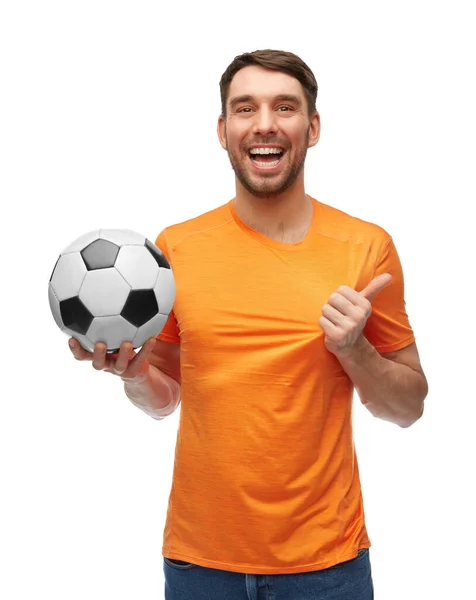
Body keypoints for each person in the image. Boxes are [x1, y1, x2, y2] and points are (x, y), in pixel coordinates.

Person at [69, 49, 429, 599]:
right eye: (245, 109)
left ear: (311, 128)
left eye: (285, 108)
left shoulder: (367, 248)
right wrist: (137, 376)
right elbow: (166, 399)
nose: (264, 124)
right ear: (222, 129)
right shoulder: (175, 249)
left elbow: (408, 408)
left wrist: (355, 351)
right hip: (200, 562)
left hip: (327, 565)